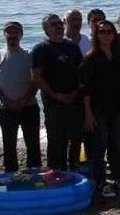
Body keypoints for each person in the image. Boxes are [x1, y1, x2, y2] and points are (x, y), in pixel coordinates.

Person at [79, 20, 120, 198]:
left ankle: (116, 178)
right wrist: (88, 113)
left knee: (116, 144)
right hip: (97, 109)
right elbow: (85, 89)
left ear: (114, 34)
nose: (106, 35)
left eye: (109, 32)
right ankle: (101, 182)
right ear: (96, 35)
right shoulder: (90, 58)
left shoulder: (118, 56)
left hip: (116, 107)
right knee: (99, 147)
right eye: (102, 32)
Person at [31, 14, 84, 171]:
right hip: (53, 103)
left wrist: (74, 94)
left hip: (74, 101)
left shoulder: (73, 47)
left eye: (60, 23)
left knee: (76, 140)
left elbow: (81, 74)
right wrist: (56, 95)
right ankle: (56, 174)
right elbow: (36, 77)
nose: (59, 26)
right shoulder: (40, 49)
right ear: (46, 30)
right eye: (53, 24)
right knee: (56, 142)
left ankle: (75, 172)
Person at [0, 20, 41, 172]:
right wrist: (6, 101)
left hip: (29, 106)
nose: (12, 35)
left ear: (21, 35)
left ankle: (34, 174)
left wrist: (24, 100)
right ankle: (11, 174)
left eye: (16, 32)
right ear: (4, 34)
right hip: (6, 108)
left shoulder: (29, 55)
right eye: (9, 32)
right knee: (9, 145)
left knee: (33, 144)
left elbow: (35, 80)